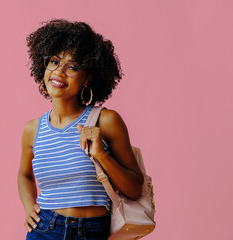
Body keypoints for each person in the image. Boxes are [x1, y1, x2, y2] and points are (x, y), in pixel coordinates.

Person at [17, 19, 144, 240]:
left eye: (73, 66)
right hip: (45, 229)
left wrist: (101, 155)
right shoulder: (33, 129)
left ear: (87, 78)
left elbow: (135, 188)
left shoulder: (106, 121)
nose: (59, 72)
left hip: (93, 231)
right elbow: (24, 175)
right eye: (54, 62)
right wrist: (29, 206)